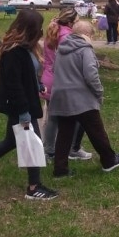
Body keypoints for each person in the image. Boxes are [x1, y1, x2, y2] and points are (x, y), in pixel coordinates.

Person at [0, 9, 59, 201]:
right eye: (38, 27)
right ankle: (33, 188)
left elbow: (28, 74)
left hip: (26, 102)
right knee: (33, 142)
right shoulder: (14, 52)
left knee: (11, 141)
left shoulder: (26, 48)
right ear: (29, 29)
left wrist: (38, 84)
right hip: (20, 106)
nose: (41, 31)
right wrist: (24, 113)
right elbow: (14, 85)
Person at [50, 20, 119, 178]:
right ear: (87, 34)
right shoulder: (85, 50)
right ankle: (109, 160)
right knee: (96, 130)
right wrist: (99, 93)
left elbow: (54, 70)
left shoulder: (61, 49)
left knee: (64, 134)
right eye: (92, 34)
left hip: (62, 97)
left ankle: (60, 169)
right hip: (82, 98)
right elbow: (91, 75)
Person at [41, 9, 93, 162]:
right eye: (77, 21)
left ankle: (49, 150)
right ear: (70, 23)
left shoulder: (54, 31)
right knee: (75, 114)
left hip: (49, 79)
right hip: (60, 80)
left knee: (53, 117)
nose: (79, 23)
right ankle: (71, 148)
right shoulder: (67, 37)